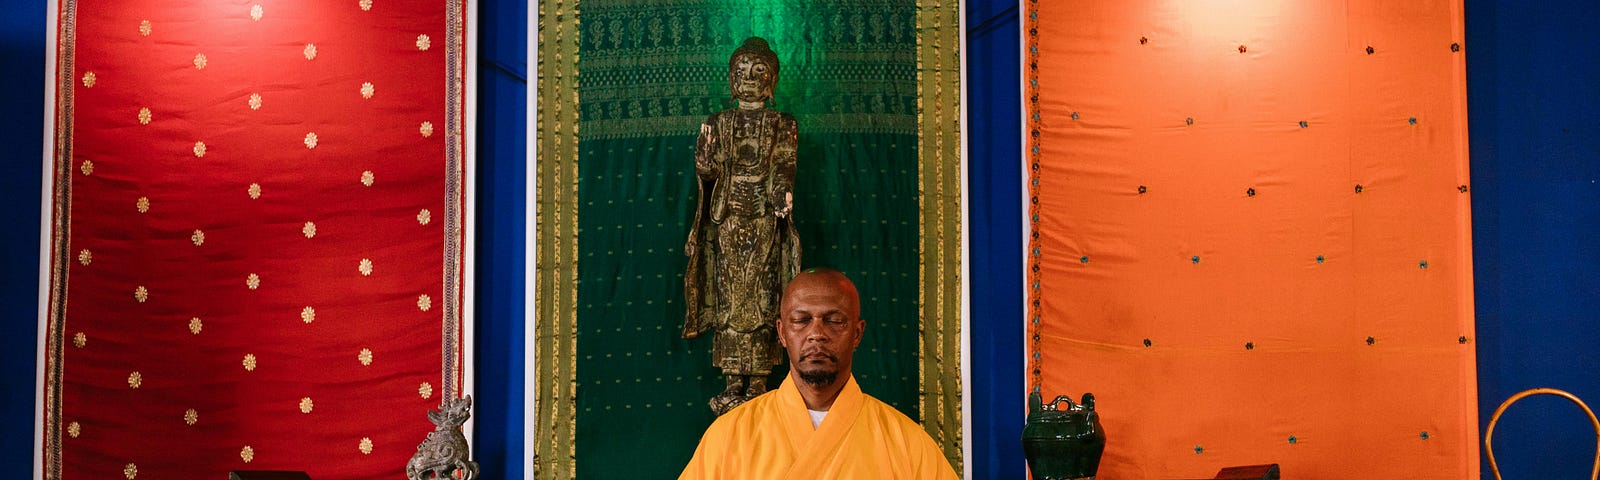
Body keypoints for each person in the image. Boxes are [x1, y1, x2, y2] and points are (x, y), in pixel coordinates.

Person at [679, 268, 959, 480]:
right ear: (782, 333)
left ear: (857, 333)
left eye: (834, 321)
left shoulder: (906, 443)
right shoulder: (731, 436)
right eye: (801, 321)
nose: (816, 334)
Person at [682, 36, 802, 414]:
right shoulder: (718, 122)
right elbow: (711, 169)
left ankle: (760, 382)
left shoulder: (781, 123)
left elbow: (784, 161)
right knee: (731, 296)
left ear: (771, 82)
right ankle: (733, 381)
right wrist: (704, 162)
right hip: (728, 219)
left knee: (764, 293)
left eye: (758, 72)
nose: (749, 79)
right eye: (742, 73)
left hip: (765, 217)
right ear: (732, 81)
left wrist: (782, 192)